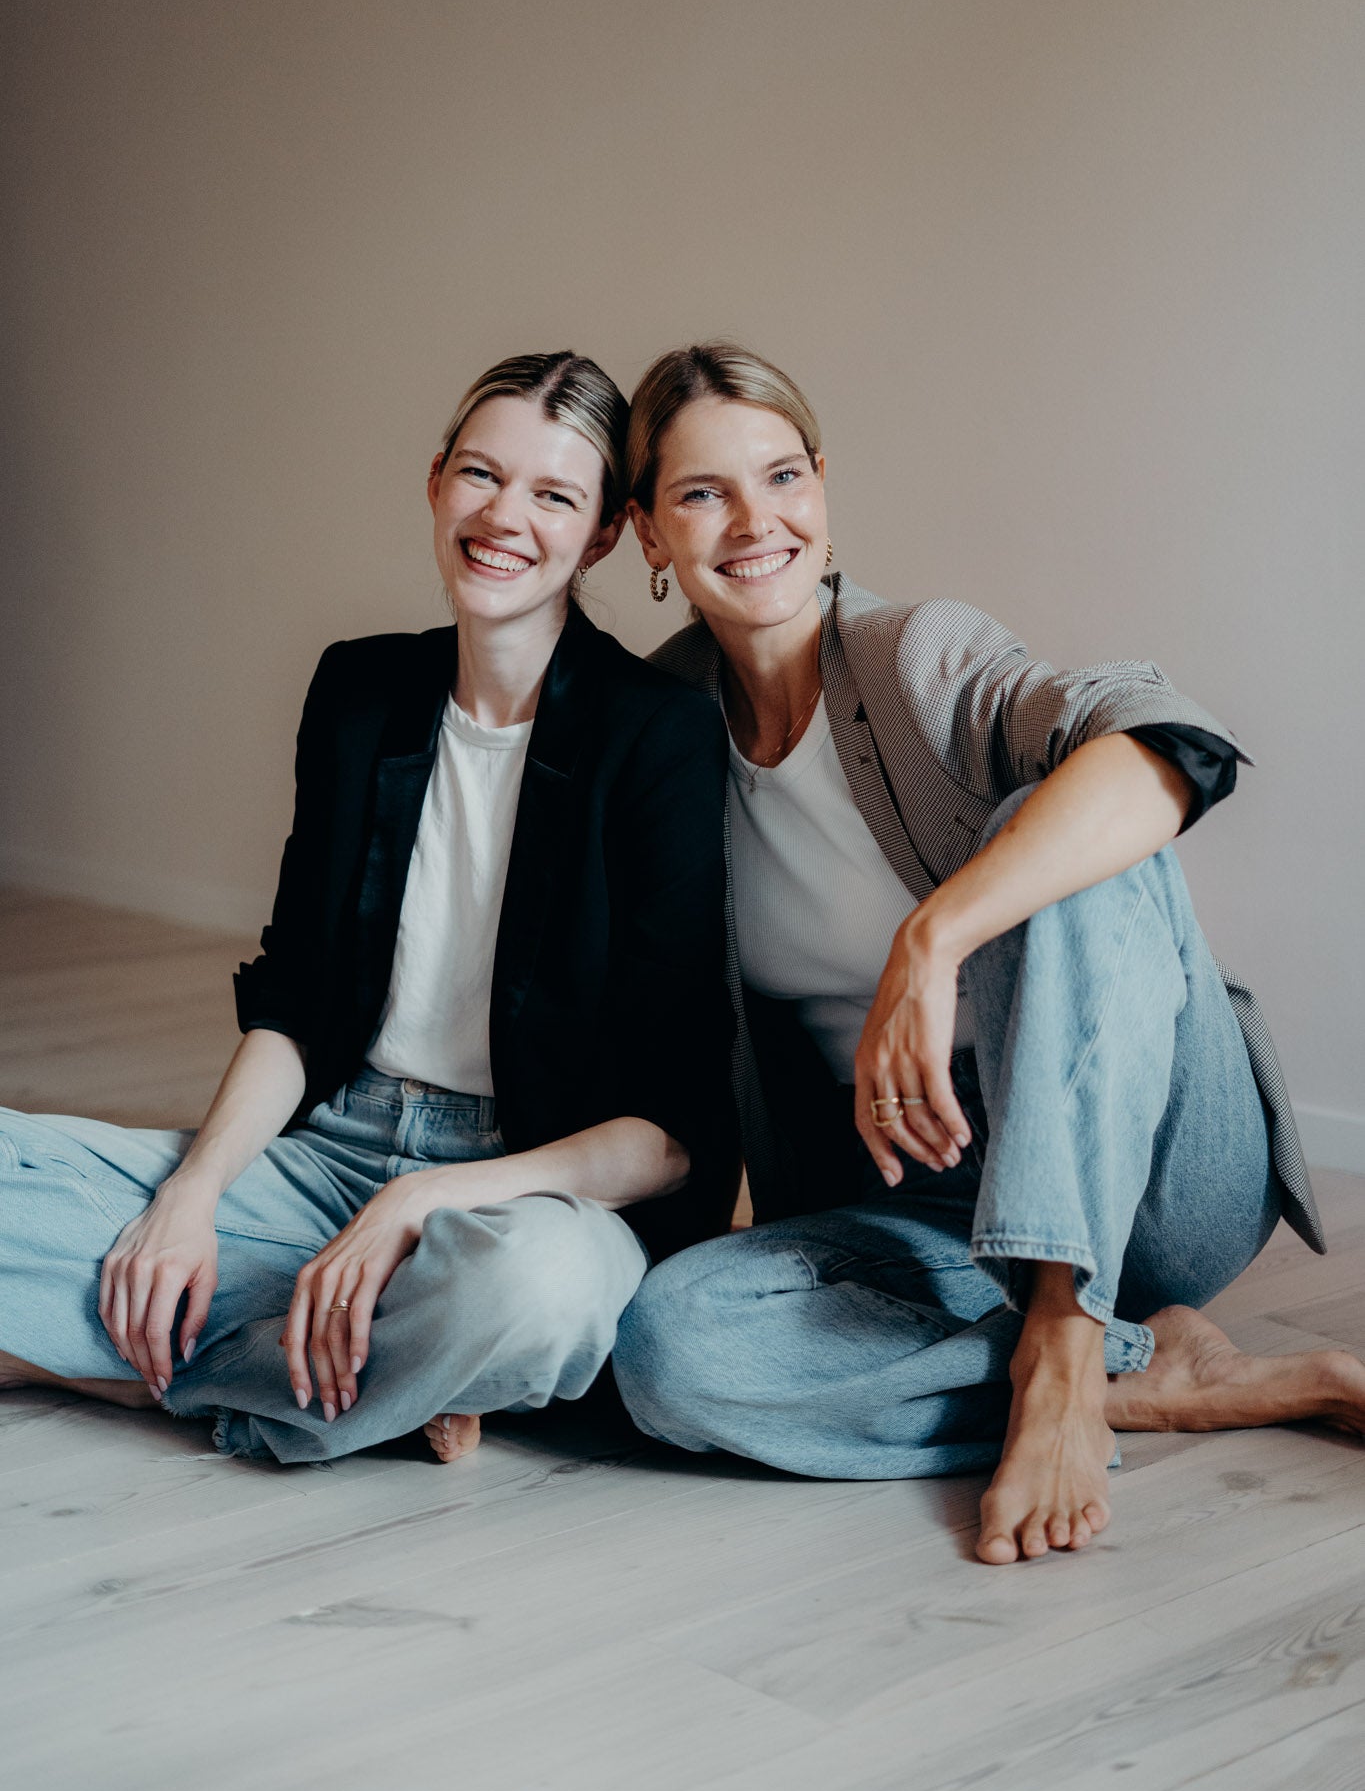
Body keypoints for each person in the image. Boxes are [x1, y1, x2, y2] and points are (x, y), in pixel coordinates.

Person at [611, 340, 1364, 1565]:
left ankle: (1067, 1336)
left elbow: (1167, 742)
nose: (756, 521)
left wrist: (935, 933)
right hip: (931, 1201)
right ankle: (1151, 1370)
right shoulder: (659, 735)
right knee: (667, 1350)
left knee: (1054, 825)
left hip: (1155, 1169)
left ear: (821, 487)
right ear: (647, 528)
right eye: (703, 493)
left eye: (783, 475)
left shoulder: (915, 655)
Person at [0, 351, 737, 1465]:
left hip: (521, 1191)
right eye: (480, 474)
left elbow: (672, 1137)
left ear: (598, 536)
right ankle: (374, 1371)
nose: (504, 517)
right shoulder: (358, 691)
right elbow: (295, 1001)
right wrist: (191, 1194)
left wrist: (422, 1201)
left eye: (552, 494)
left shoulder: (658, 735)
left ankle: (127, 1370)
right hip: (328, 1149)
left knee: (539, 1296)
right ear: (436, 481)